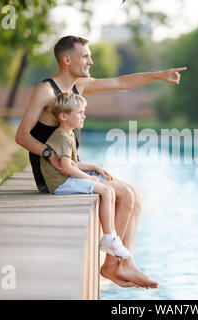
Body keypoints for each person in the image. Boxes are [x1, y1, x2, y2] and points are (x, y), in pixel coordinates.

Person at [15, 35, 186, 288]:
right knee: (125, 195)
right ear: (66, 59)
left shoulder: (79, 86)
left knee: (135, 196)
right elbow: (21, 135)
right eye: (85, 56)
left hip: (71, 169)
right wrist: (50, 155)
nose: (90, 61)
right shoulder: (46, 90)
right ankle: (112, 264)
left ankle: (124, 264)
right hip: (56, 175)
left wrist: (158, 75)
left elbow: (120, 82)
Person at [41, 92, 132, 260]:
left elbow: (72, 164)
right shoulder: (61, 136)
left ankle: (110, 237)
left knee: (109, 191)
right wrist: (88, 178)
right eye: (80, 112)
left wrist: (94, 167)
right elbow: (67, 168)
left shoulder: (67, 133)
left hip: (65, 179)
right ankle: (109, 237)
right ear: (64, 116)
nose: (84, 115)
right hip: (61, 183)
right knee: (105, 191)